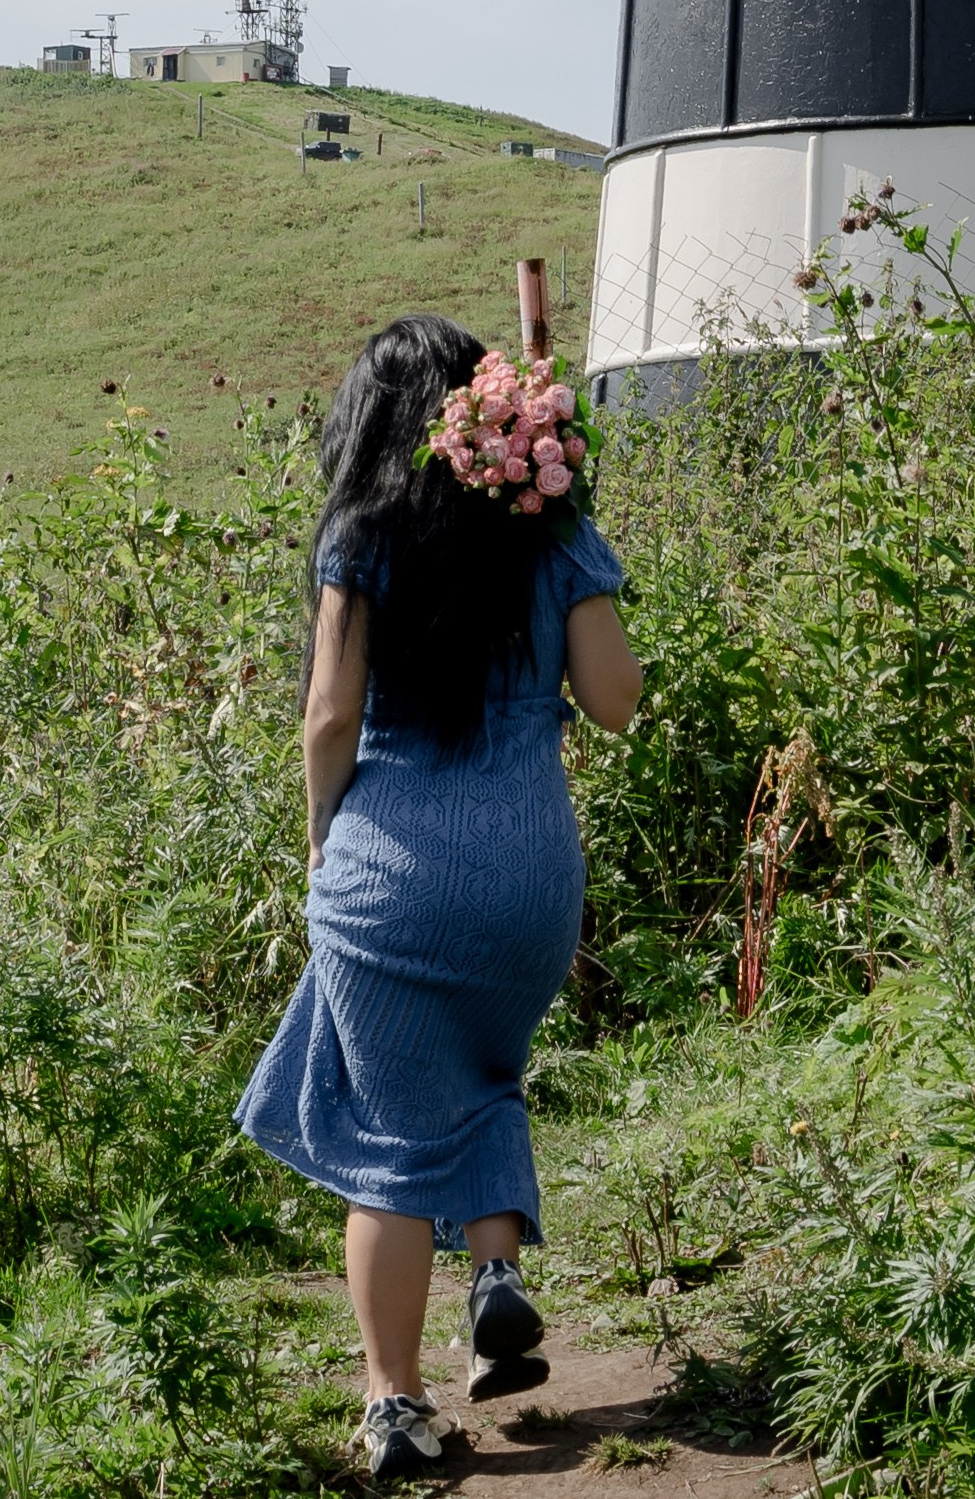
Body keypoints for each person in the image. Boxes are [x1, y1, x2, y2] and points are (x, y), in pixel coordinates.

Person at [235, 315, 643, 1480]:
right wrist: (571, 536)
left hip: (394, 871)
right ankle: (499, 1271)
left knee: (387, 1143)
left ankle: (394, 1404)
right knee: (482, 1069)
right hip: (528, 876)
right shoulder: (550, 527)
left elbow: (326, 715)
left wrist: (323, 841)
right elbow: (615, 698)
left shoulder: (360, 536)